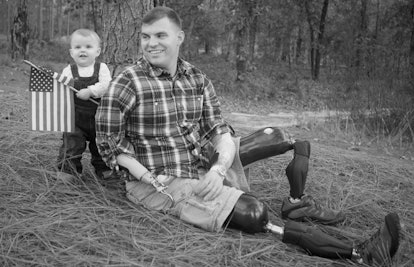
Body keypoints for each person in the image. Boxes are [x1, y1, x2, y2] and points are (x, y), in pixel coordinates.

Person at [95, 7, 401, 265]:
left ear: (179, 37)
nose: (151, 44)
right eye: (145, 37)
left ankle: (297, 202)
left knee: (278, 137)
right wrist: (144, 174)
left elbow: (219, 131)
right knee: (254, 213)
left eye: (160, 35)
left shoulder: (197, 78)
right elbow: (108, 142)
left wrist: (218, 168)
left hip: (200, 161)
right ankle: (361, 253)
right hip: (162, 180)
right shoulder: (129, 80)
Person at [57, 29, 112, 180]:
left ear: (97, 51)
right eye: (78, 47)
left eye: (88, 47)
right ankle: (68, 171)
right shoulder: (69, 70)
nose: (83, 50)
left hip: (98, 117)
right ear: (71, 52)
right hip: (75, 117)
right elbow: (63, 88)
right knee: (72, 144)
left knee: (100, 145)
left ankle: (104, 169)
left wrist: (90, 91)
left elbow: (106, 85)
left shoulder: (101, 68)